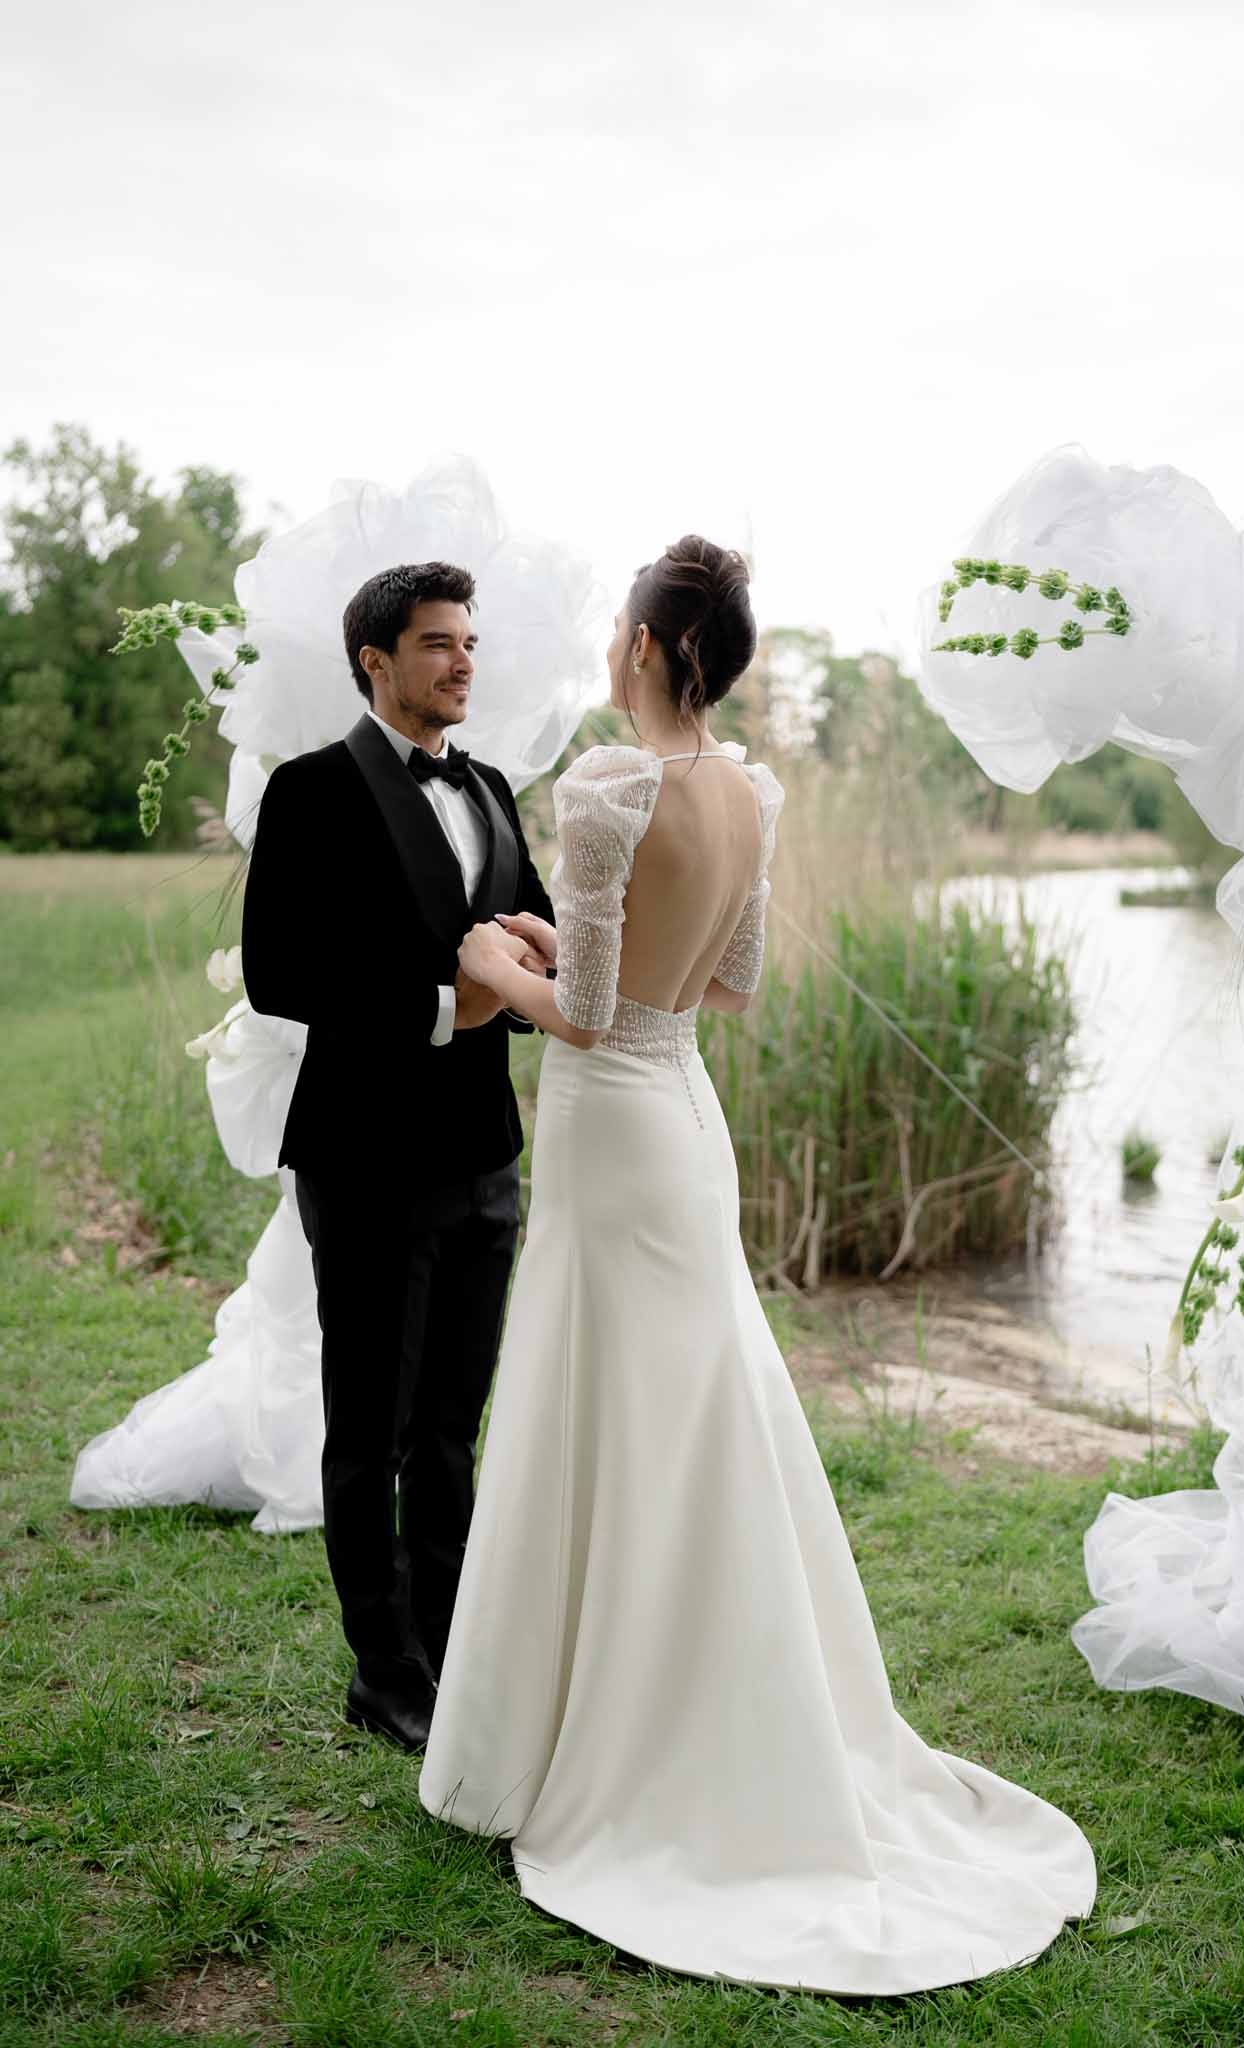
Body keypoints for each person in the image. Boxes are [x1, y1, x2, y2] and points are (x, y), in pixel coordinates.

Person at [417, 536, 1097, 1995]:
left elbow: (583, 1018)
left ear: (656, 645)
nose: (608, 647)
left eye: (619, 629)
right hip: (688, 1116)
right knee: (683, 1409)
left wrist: (491, 963)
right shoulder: (749, 791)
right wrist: (567, 945)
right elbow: (722, 980)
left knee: (609, 1406)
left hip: (614, 1127)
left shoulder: (610, 782)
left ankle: (607, 1738)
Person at [241, 560, 555, 1753]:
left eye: (468, 640)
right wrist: (440, 1007)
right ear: (376, 660)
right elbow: (282, 969)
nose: (463, 660)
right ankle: (383, 1670)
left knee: (450, 1424)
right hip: (365, 1156)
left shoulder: (493, 783)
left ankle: (450, 1642)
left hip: (485, 1154)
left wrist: (544, 967)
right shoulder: (312, 791)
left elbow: (522, 944)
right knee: (367, 1429)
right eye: (437, 643)